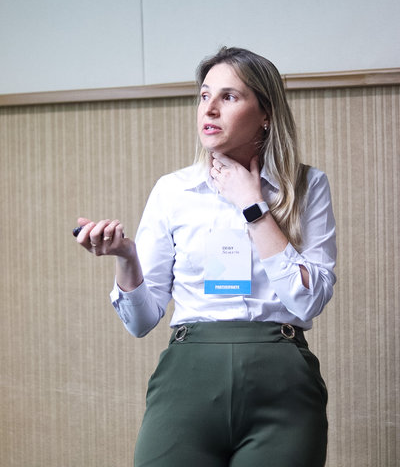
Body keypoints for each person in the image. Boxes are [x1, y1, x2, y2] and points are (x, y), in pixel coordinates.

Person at [76, 46, 336, 467]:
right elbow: (140, 322)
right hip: (187, 379)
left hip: (283, 384)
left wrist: (253, 206)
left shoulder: (307, 185)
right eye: (204, 96)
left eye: (228, 97)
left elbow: (308, 301)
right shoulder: (172, 191)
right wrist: (126, 257)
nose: (209, 109)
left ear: (266, 113)